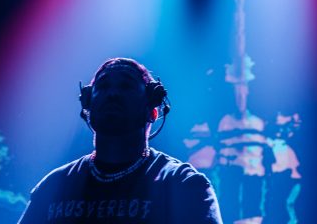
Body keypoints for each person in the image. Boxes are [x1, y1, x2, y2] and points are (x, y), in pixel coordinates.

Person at [18, 57, 223, 223]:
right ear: (87, 103)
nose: (113, 93)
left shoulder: (183, 185)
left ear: (152, 111)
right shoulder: (53, 186)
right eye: (103, 86)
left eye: (126, 86)